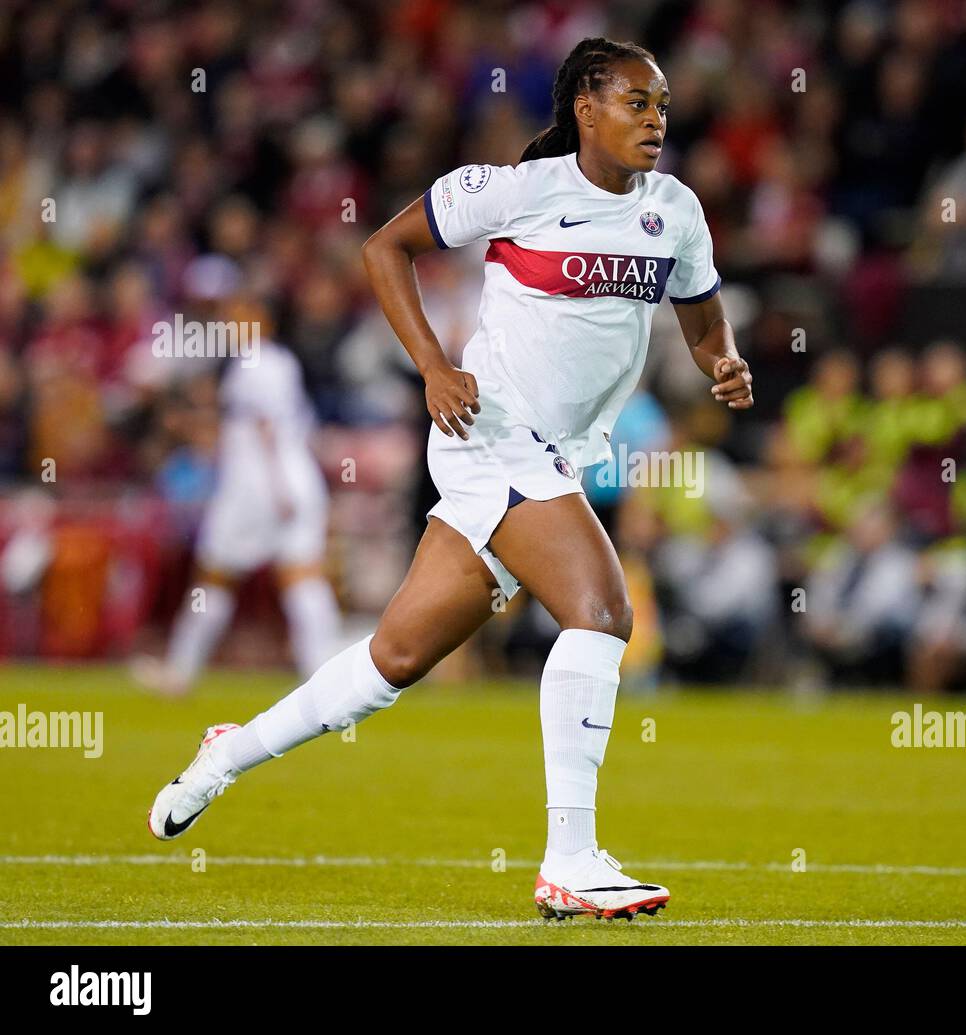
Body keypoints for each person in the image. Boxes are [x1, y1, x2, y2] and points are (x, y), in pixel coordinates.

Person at [146, 37, 754, 923]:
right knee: (603, 610)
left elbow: (702, 318)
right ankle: (570, 858)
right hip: (492, 432)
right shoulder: (515, 190)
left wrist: (724, 362)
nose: (655, 120)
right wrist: (432, 365)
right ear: (585, 108)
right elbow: (383, 249)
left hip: (562, 452)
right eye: (636, 102)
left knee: (392, 660)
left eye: (661, 105)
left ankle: (228, 753)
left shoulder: (677, 211)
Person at [133, 271, 340, 696]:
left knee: (215, 577)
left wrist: (277, 489)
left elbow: (265, 429)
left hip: (258, 488)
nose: (229, 322)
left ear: (260, 318)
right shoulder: (281, 361)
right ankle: (327, 680)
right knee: (303, 578)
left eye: (238, 313)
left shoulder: (256, 362)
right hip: (296, 482)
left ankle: (180, 672)